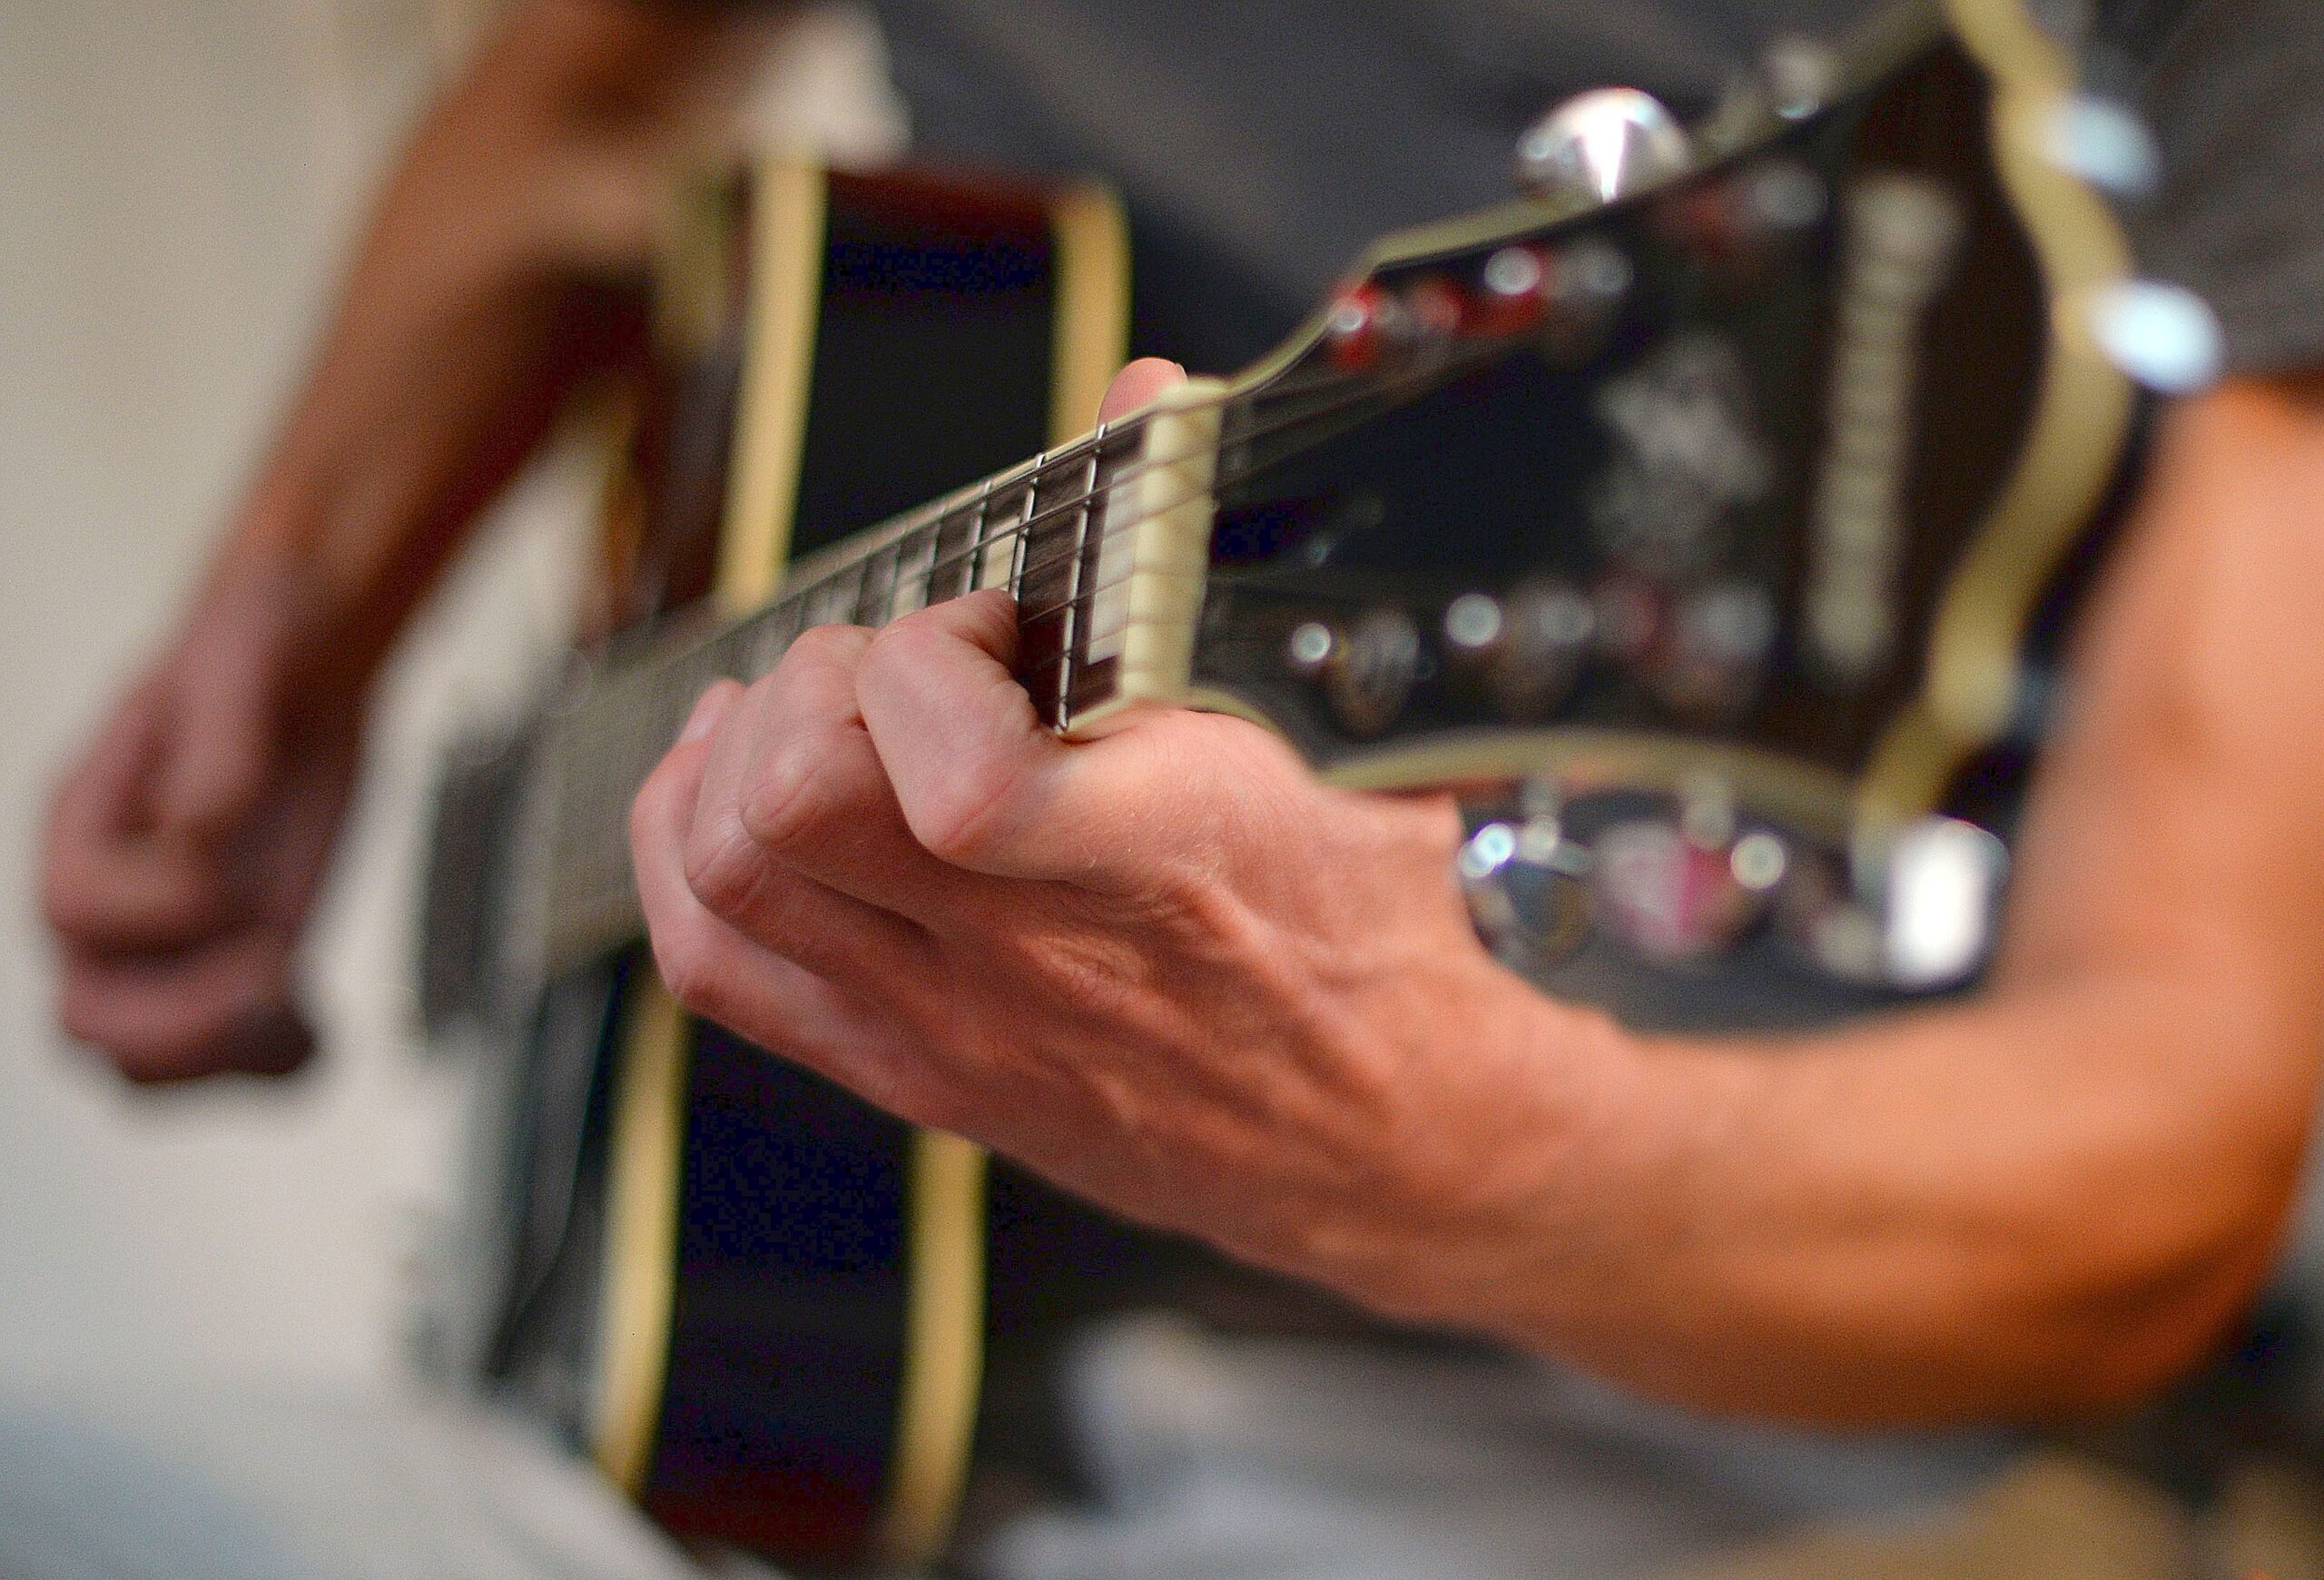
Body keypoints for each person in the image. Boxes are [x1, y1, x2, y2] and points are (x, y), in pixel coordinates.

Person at [38, 0, 2324, 1574]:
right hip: (747, 1362)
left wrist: (1425, 1145)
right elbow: (588, 96)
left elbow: (2162, 1143)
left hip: (1625, 1438)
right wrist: (293, 612)